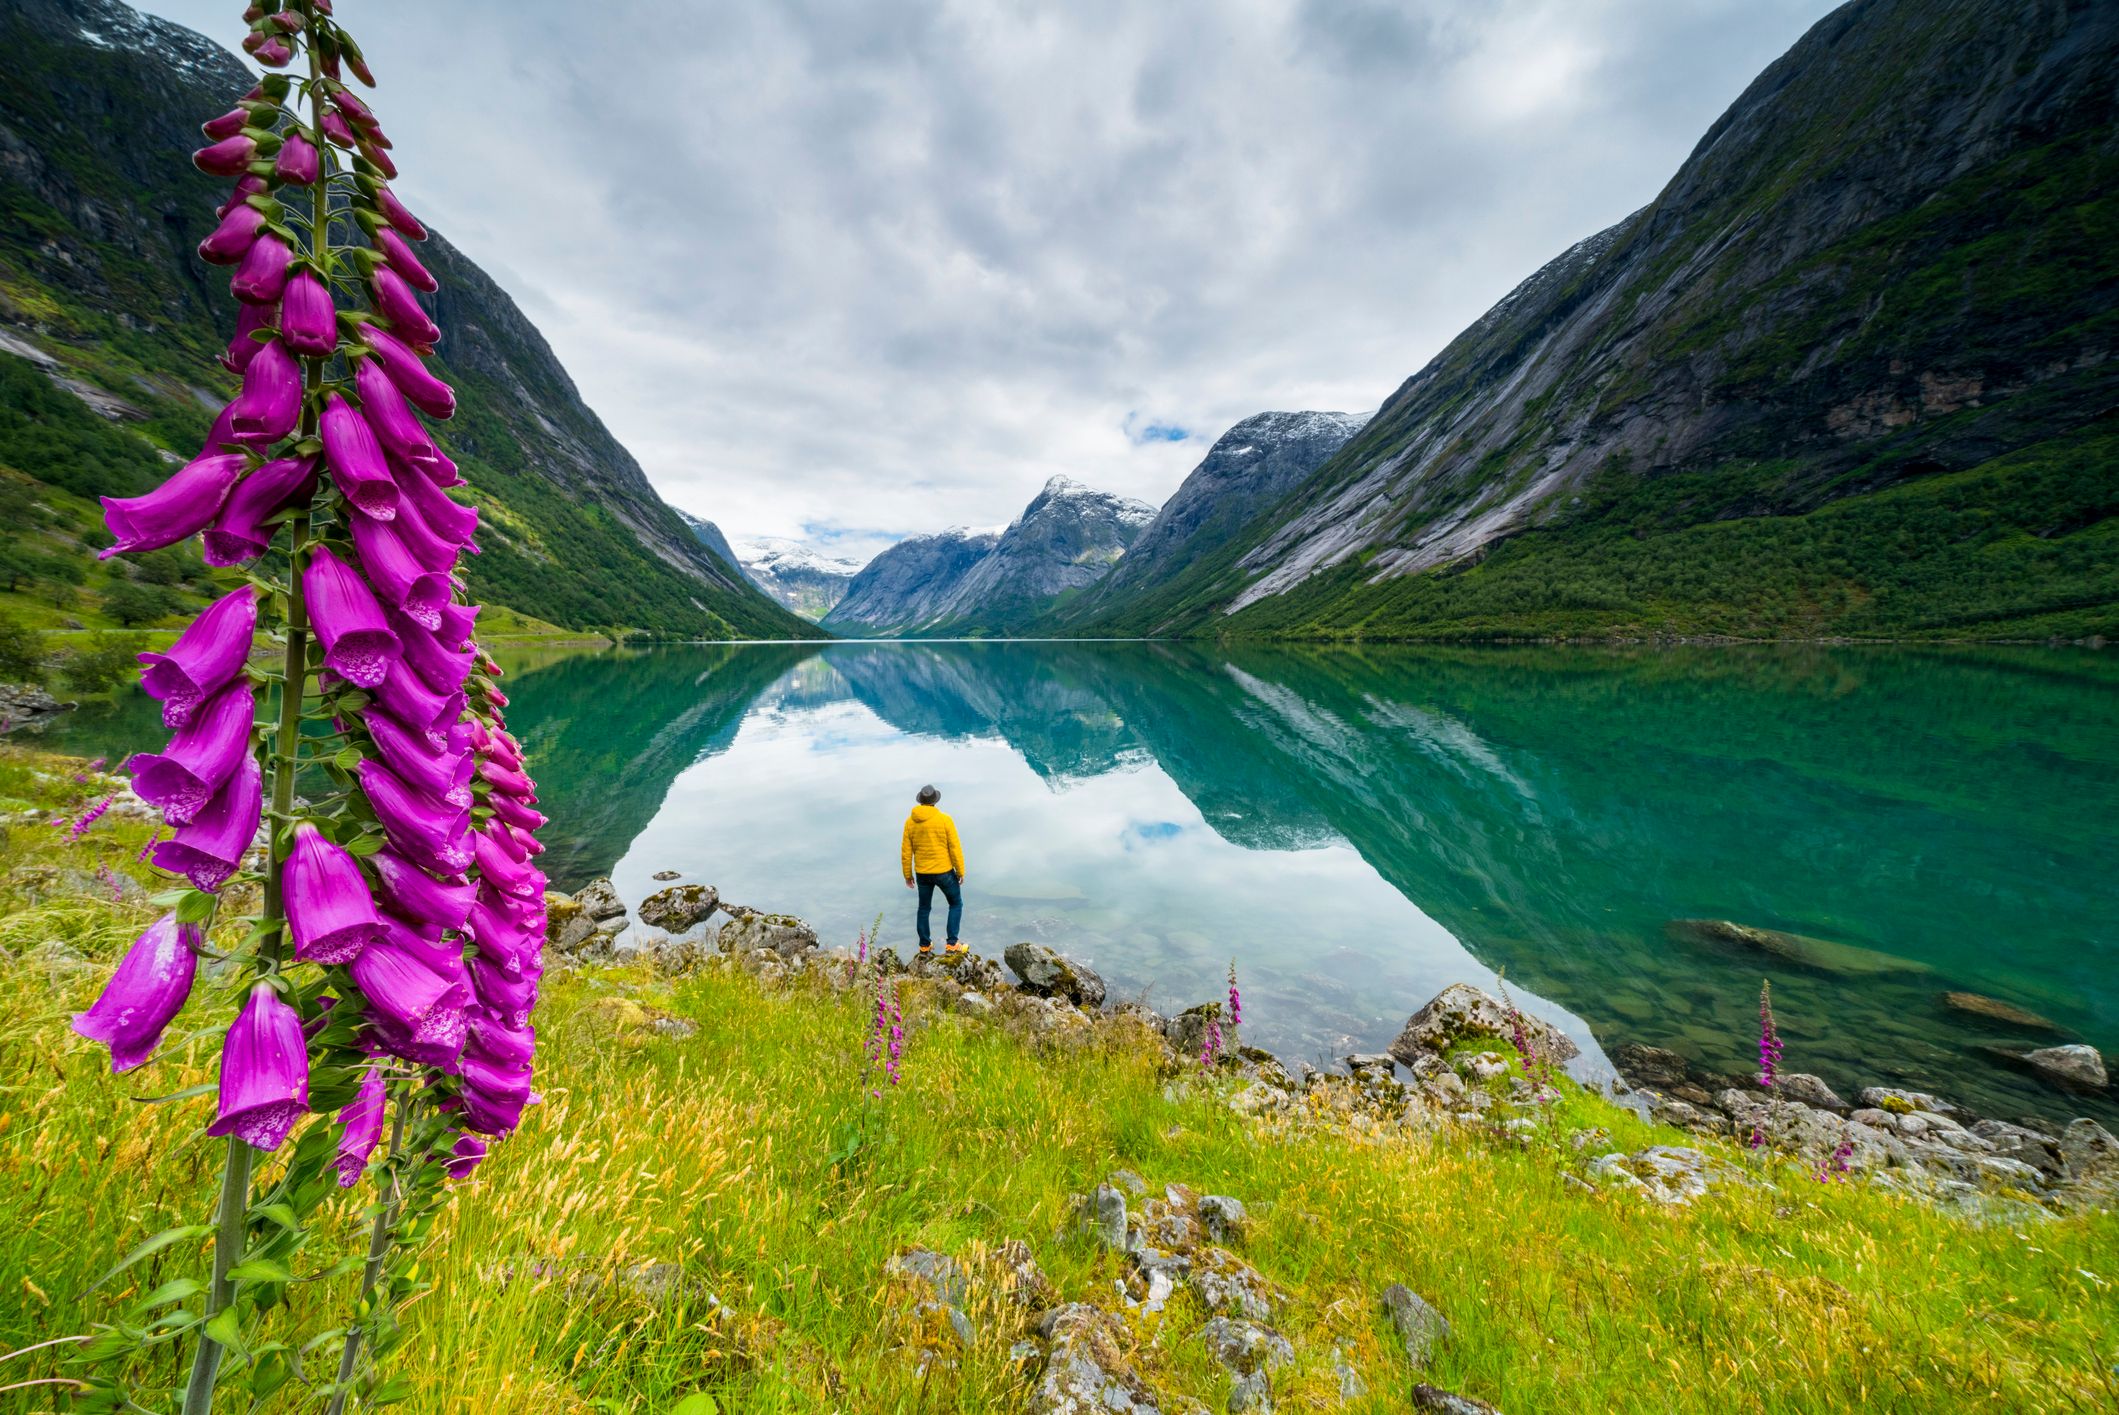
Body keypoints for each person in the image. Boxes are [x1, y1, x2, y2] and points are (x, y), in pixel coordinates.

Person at [900, 783, 966, 957]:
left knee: (924, 909)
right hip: (944, 872)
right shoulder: (945, 820)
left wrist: (908, 875)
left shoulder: (910, 822)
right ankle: (952, 944)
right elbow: (954, 848)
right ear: (934, 801)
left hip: (922, 873)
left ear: (921, 801)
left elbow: (906, 852)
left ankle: (924, 946)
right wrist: (960, 871)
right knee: (955, 903)